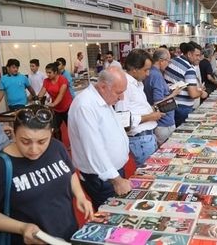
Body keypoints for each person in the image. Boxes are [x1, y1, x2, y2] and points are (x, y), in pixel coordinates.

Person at [0, 105, 93, 244]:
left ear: (51, 133)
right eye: (25, 141)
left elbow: (69, 173)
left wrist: (80, 196)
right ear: (14, 134)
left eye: (42, 141)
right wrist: (22, 228)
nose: (34, 149)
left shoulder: (56, 147)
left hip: (69, 233)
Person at [68, 66, 131, 210]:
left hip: (113, 172)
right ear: (103, 87)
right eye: (119, 92)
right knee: (111, 216)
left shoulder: (103, 98)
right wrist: (116, 180)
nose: (122, 97)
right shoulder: (85, 105)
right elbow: (94, 148)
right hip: (103, 177)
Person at [115, 49, 164, 168]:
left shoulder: (137, 83)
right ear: (134, 69)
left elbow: (137, 108)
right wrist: (150, 117)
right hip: (140, 139)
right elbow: (123, 120)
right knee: (150, 173)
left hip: (146, 137)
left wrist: (151, 110)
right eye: (145, 70)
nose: (148, 74)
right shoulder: (126, 86)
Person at [143, 48, 182, 145]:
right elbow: (158, 103)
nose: (168, 64)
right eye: (168, 61)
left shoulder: (150, 73)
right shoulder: (156, 75)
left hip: (160, 122)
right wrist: (173, 94)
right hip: (164, 123)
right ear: (161, 61)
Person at [164, 42, 208, 127]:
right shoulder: (189, 69)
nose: (199, 58)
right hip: (183, 107)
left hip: (171, 105)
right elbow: (193, 94)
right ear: (189, 54)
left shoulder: (172, 61)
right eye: (197, 55)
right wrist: (201, 92)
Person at [37, 62, 73, 140]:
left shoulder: (62, 79)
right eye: (46, 72)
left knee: (71, 128)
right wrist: (37, 100)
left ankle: (74, 144)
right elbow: (42, 92)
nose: (47, 74)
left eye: (49, 72)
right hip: (57, 109)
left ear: (55, 72)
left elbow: (61, 94)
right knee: (55, 128)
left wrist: (53, 104)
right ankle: (59, 145)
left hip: (67, 107)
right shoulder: (46, 81)